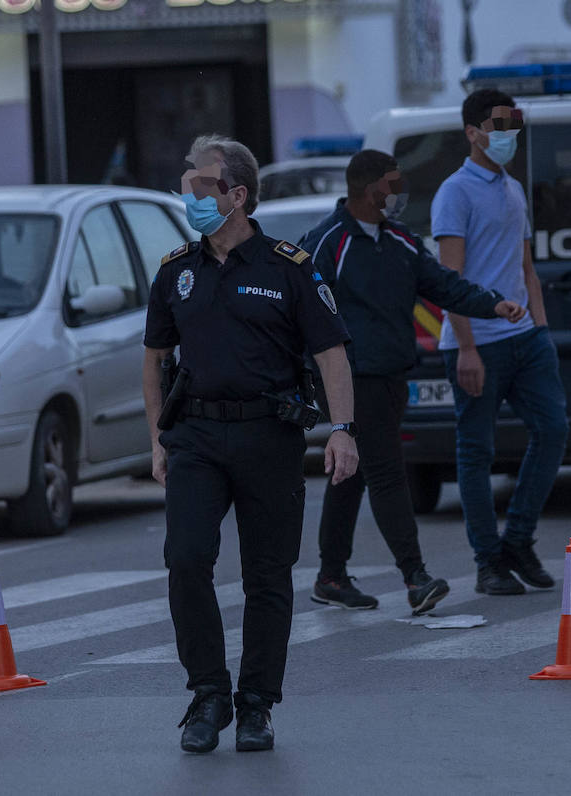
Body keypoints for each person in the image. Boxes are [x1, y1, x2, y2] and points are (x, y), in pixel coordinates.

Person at [143, 134, 358, 754]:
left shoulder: (289, 267)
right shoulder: (176, 271)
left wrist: (342, 430)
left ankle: (257, 702)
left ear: (236, 195)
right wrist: (158, 439)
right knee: (187, 560)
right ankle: (208, 693)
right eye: (186, 183)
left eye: (200, 184)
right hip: (196, 437)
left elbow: (331, 353)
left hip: (269, 435)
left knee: (267, 575)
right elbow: (154, 359)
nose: (188, 193)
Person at [302, 149, 527, 616]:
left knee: (352, 472)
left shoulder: (400, 240)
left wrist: (492, 304)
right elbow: (297, 308)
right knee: (387, 470)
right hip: (350, 378)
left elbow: (444, 284)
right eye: (394, 184)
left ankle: (330, 576)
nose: (401, 193)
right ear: (370, 191)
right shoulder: (328, 242)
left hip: (390, 373)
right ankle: (415, 577)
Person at [431, 88, 569, 596]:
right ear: (473, 133)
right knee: (476, 452)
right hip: (477, 343)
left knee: (553, 430)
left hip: (525, 338)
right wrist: (466, 347)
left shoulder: (513, 189)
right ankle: (488, 562)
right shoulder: (455, 192)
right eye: (500, 126)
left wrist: (541, 330)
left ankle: (518, 539)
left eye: (514, 125)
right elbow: (450, 280)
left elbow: (526, 268)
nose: (510, 135)